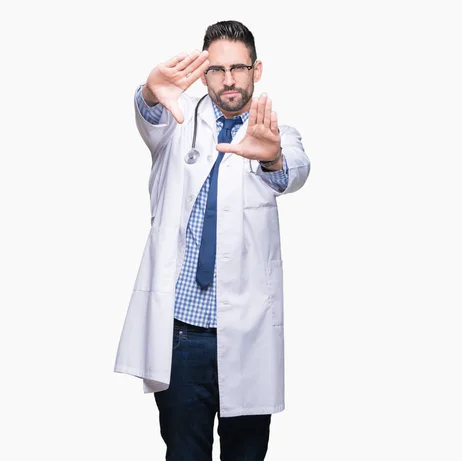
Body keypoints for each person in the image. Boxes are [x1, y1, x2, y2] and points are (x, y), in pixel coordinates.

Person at [113, 20, 310, 460]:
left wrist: (273, 155)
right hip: (183, 335)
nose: (228, 80)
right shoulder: (177, 122)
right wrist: (148, 92)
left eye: (238, 68)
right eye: (216, 69)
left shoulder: (275, 132)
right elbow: (151, 116)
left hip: (246, 332)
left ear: (256, 71)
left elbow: (295, 168)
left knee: (246, 455)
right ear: (203, 75)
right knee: (185, 453)